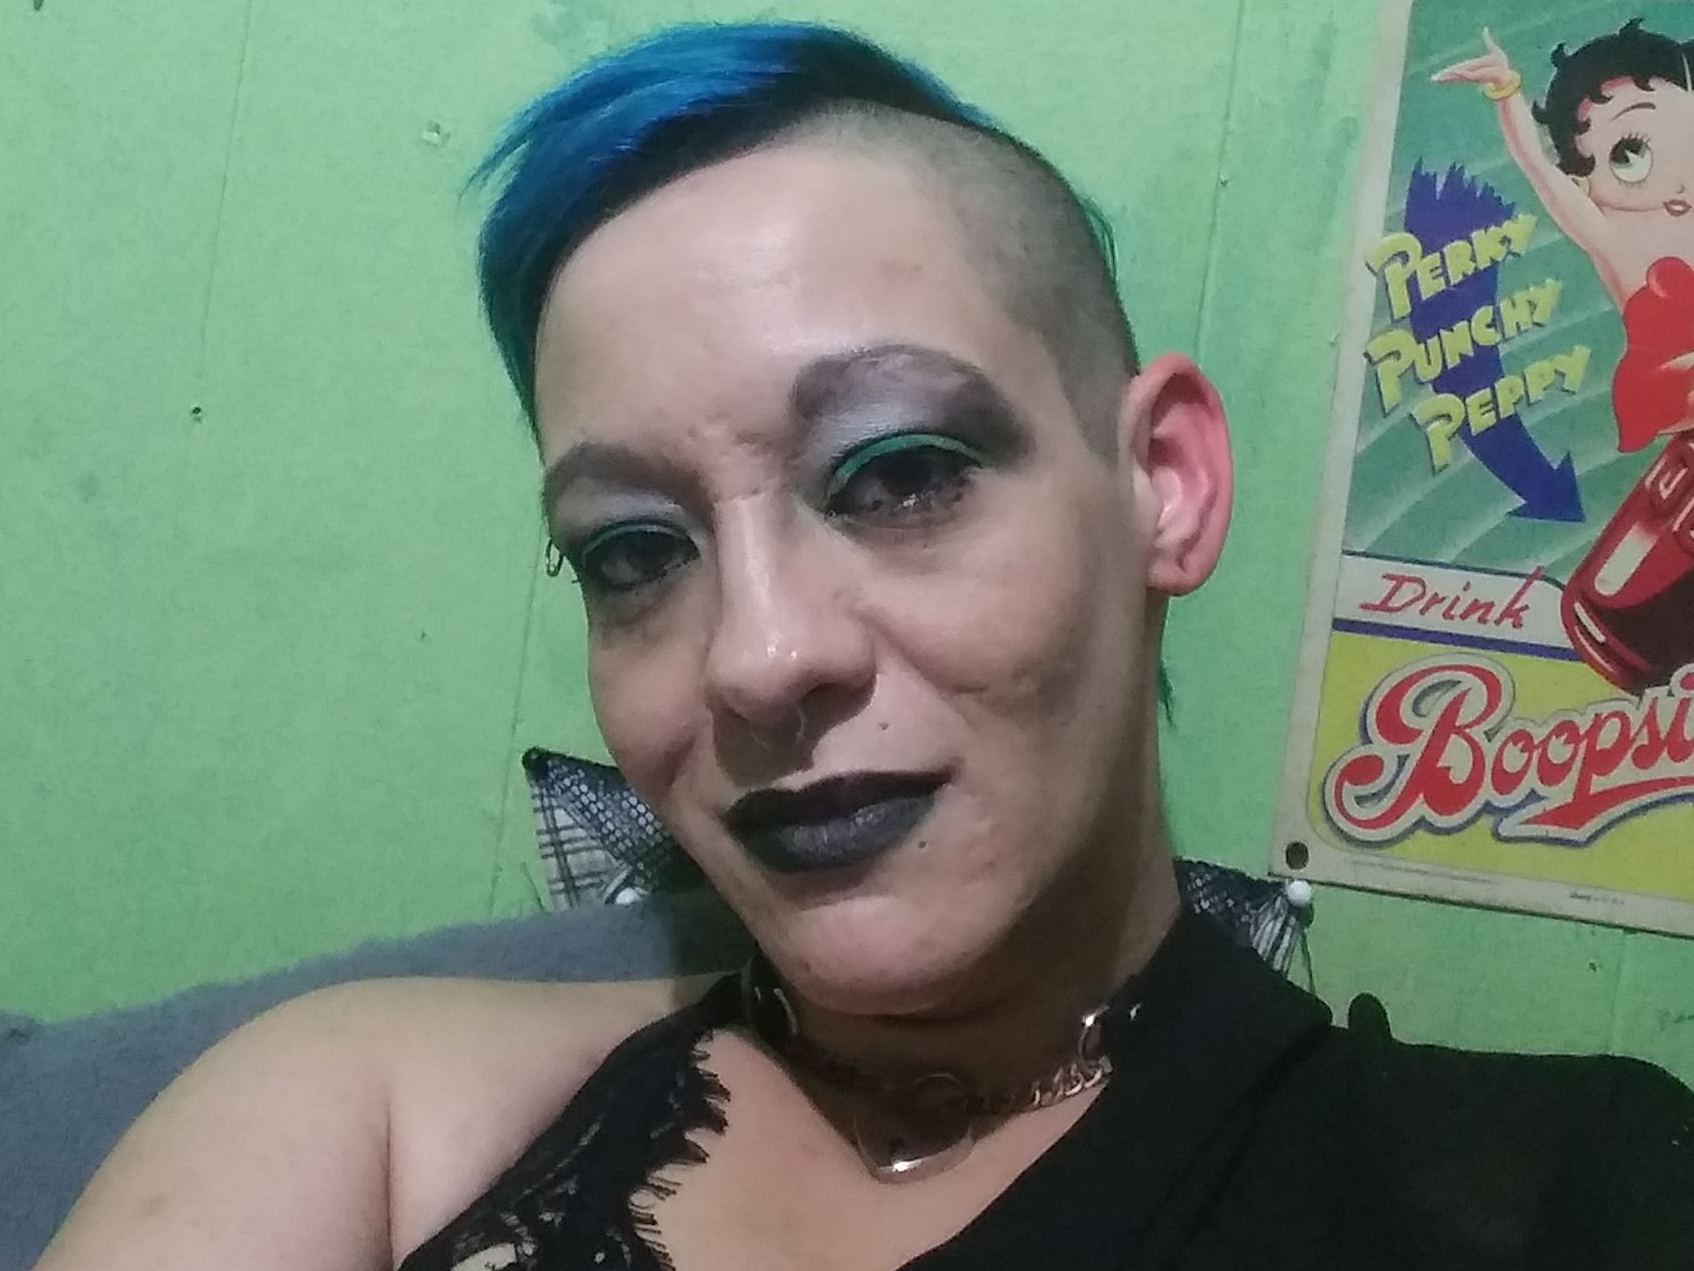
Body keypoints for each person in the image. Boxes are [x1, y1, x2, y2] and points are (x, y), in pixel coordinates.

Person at [39, 20, 1694, 1271]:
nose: (755, 659)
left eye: (897, 474)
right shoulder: (368, 1117)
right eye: (633, 552)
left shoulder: (1566, 1185)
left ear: (1163, 485)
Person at [1437, 21, 1694, 452]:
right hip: (1662, 383)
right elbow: (1537, 166)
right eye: (1630, 154)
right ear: (1583, 180)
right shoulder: (1610, 230)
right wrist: (1506, 90)